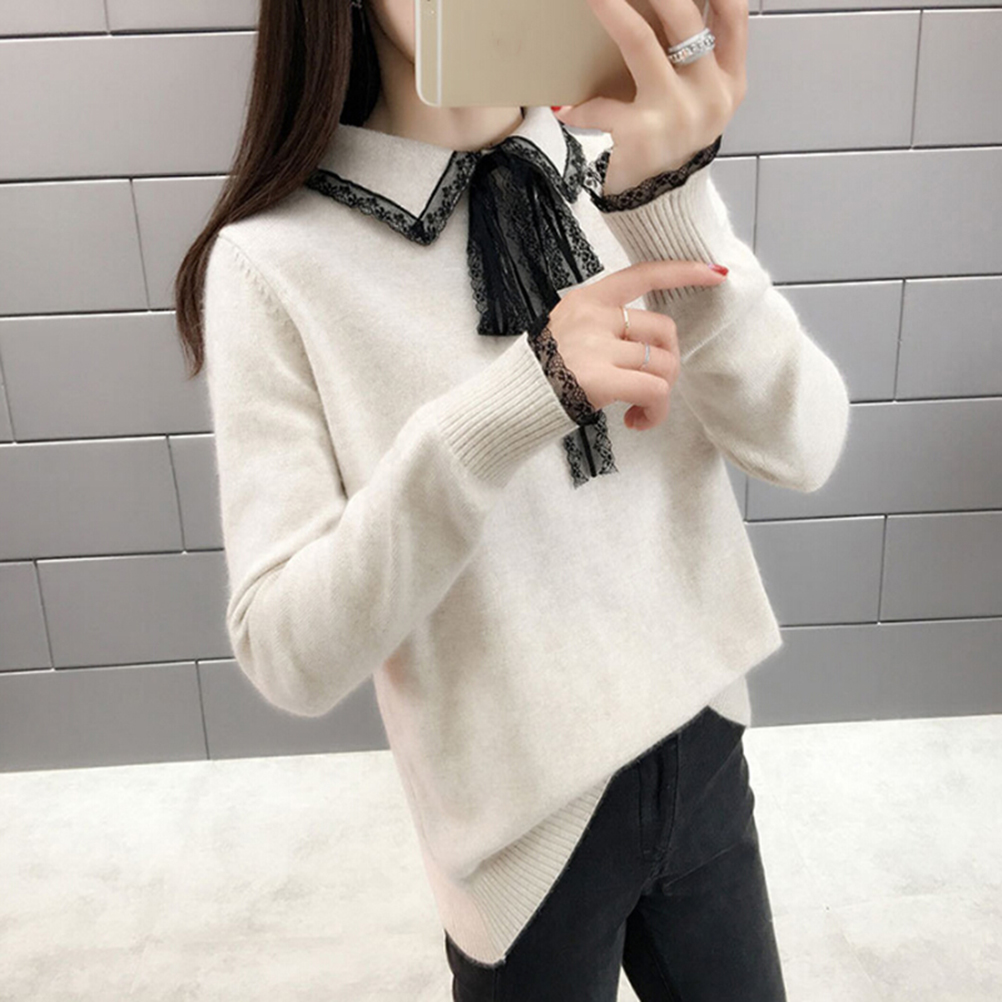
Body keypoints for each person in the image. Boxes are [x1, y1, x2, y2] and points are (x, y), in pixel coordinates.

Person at [173, 1, 851, 998]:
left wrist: (672, 204)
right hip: (520, 841)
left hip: (703, 744)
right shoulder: (275, 263)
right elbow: (289, 651)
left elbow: (808, 445)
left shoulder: (627, 161)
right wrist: (512, 406)